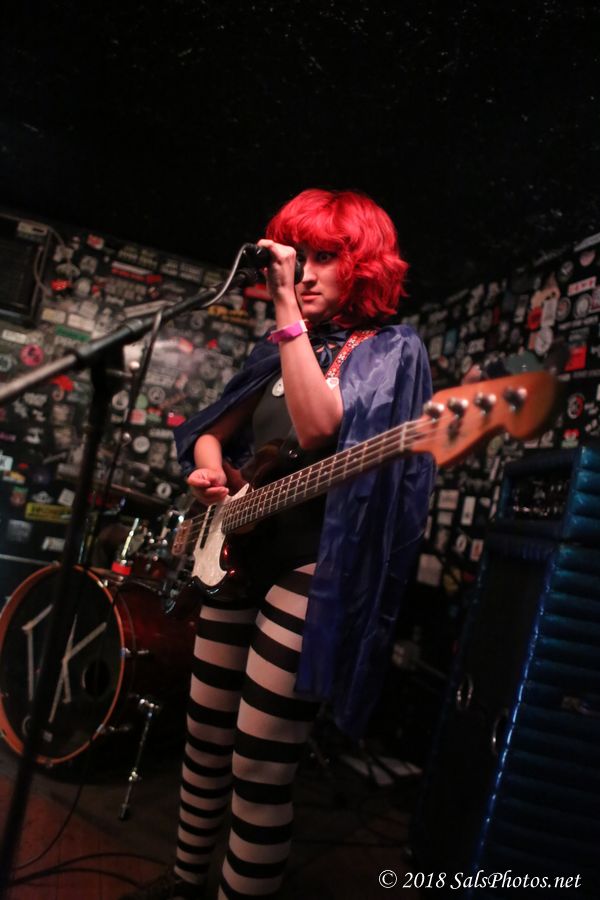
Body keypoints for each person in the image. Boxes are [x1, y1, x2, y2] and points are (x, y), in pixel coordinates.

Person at [124, 188, 434, 899]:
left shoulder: (389, 350)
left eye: (327, 257)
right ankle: (184, 880)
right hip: (239, 554)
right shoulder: (277, 351)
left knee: (259, 763)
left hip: (313, 565)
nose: (308, 272)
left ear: (363, 266)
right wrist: (211, 472)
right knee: (205, 739)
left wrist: (286, 305)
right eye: (301, 259)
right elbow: (212, 431)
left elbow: (321, 428)